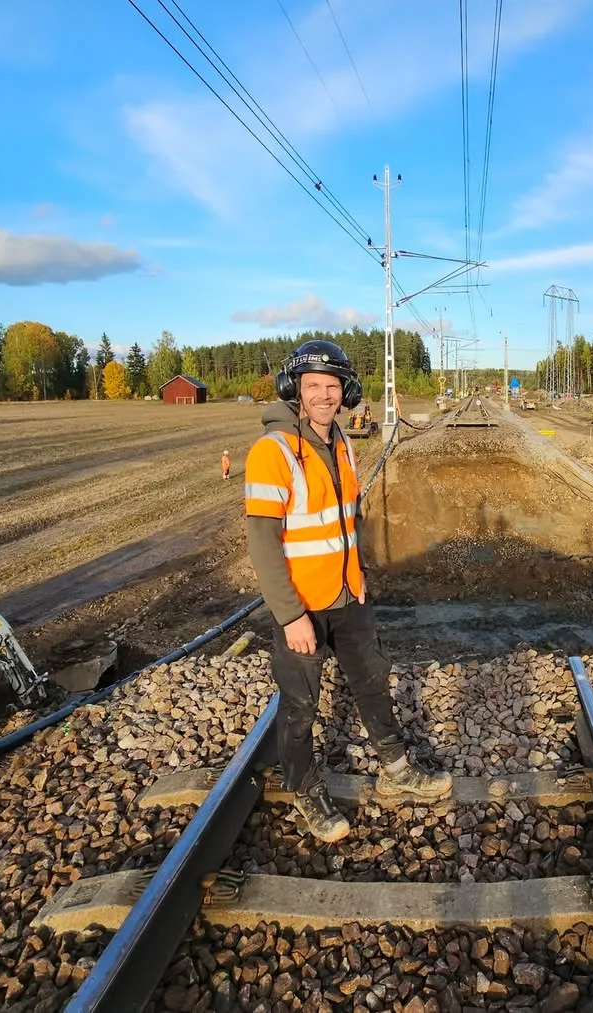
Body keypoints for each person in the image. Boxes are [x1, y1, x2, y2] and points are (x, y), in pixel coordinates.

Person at [244, 339, 452, 843]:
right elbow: (263, 543)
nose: (323, 395)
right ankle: (304, 789)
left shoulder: (341, 443)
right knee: (300, 705)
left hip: (348, 595)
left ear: (346, 392)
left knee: (373, 681)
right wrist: (290, 615)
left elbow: (345, 522)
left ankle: (396, 771)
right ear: (294, 390)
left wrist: (358, 577)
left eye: (332, 386)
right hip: (302, 605)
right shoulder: (272, 453)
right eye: (313, 385)